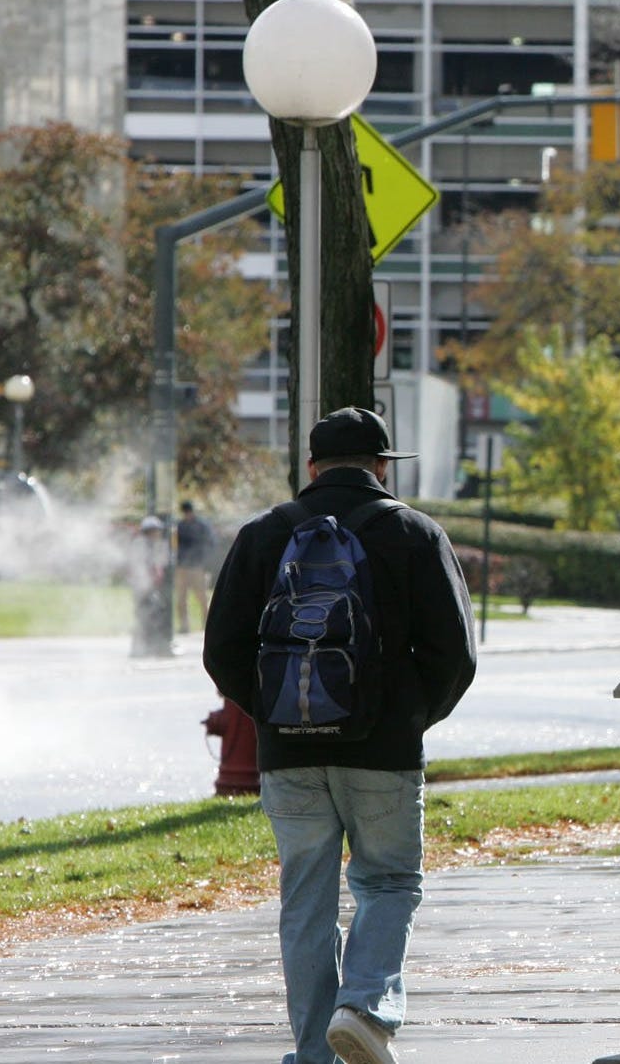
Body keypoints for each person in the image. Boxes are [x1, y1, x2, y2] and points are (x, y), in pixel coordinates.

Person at [204, 407, 477, 1064]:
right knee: (387, 882)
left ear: (311, 467)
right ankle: (363, 1007)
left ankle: (314, 1054)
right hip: (382, 751)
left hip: (288, 755)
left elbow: (222, 650)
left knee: (307, 900)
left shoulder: (265, 535)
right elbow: (455, 655)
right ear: (382, 467)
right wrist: (406, 715)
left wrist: (275, 713)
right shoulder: (415, 533)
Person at [129, 516, 170, 658]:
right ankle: (139, 648)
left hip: (153, 587)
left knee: (154, 616)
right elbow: (138, 567)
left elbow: (161, 564)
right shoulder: (139, 545)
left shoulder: (158, 545)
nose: (157, 534)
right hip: (143, 587)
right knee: (142, 617)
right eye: (155, 531)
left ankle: (153, 646)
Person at [173, 500, 216, 633]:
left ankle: (208, 624)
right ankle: (184, 626)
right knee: (181, 598)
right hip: (183, 566)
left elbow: (210, 543)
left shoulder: (202, 525)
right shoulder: (180, 526)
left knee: (202, 597)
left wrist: (205, 562)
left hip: (197, 565)